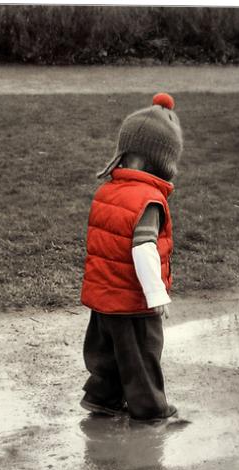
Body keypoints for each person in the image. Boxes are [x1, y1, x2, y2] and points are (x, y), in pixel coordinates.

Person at [79, 93, 182, 423]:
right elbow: (143, 248)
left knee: (106, 353)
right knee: (141, 356)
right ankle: (151, 409)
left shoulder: (108, 189)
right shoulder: (149, 200)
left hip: (103, 297)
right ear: (162, 161)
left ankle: (102, 397)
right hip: (133, 302)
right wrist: (155, 294)